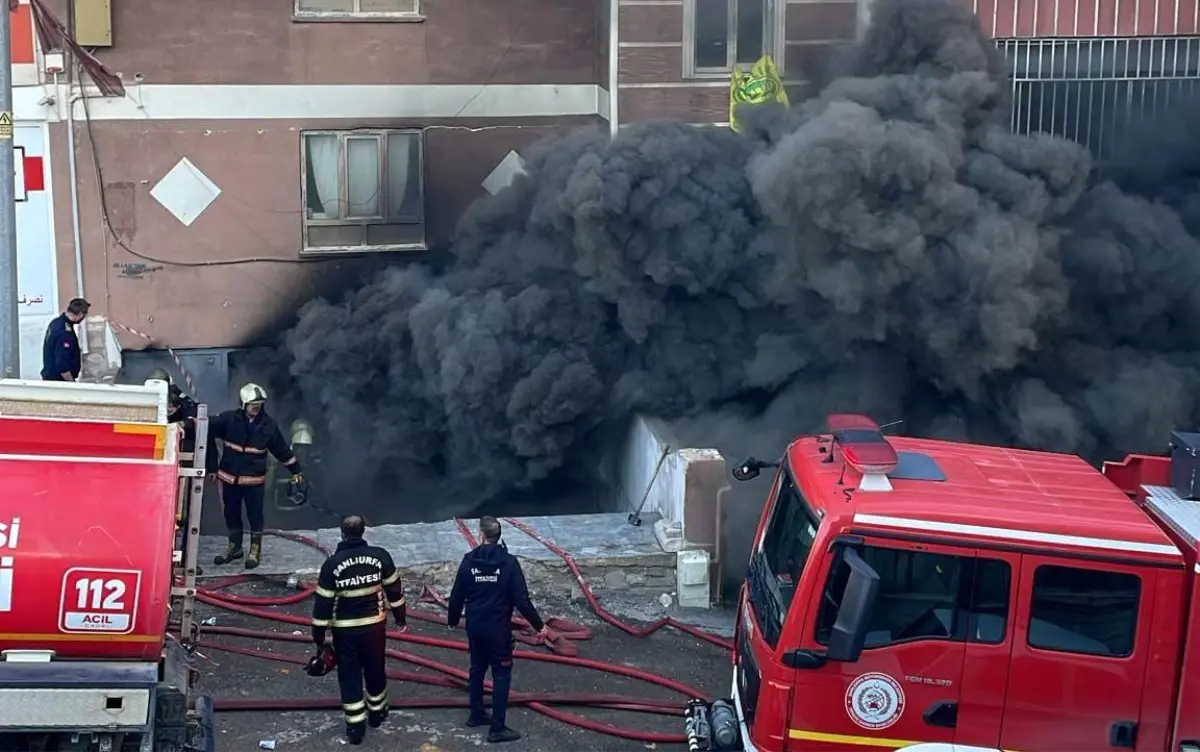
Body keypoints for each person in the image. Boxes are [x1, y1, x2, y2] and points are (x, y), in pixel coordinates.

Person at [447, 516, 550, 744]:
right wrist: (540, 626)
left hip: (475, 627)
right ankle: (497, 728)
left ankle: (476, 714)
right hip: (499, 630)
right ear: (499, 536)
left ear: (481, 534)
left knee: (476, 669)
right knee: (501, 676)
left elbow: (456, 597)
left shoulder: (468, 561)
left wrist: (452, 620)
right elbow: (522, 601)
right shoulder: (509, 563)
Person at [311, 515, 408, 745]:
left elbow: (322, 604)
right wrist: (401, 619)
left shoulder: (332, 564)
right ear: (363, 532)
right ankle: (377, 714)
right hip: (374, 628)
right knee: (375, 670)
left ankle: (355, 728)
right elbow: (395, 592)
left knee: (349, 676)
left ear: (342, 534)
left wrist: (318, 637)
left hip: (345, 633)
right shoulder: (380, 556)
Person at [205, 382, 303, 569]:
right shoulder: (228, 419)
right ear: (243, 405)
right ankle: (234, 547)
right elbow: (206, 428)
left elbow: (282, 450)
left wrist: (296, 471)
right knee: (230, 513)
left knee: (255, 515)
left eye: (258, 405)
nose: (255, 409)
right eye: (252, 405)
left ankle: (255, 549)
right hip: (229, 479)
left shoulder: (268, 426)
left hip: (254, 482)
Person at [40, 297, 89, 381]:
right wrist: (71, 383)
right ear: (80, 314)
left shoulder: (56, 323)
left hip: (50, 378)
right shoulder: (65, 333)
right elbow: (62, 365)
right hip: (59, 382)